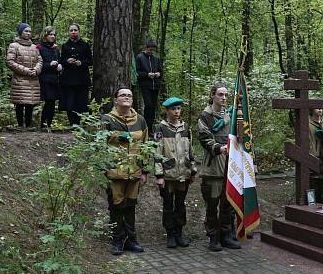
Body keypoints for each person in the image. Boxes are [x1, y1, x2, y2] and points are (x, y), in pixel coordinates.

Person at [102, 88, 149, 256]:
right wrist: (103, 171)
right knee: (116, 206)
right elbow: (100, 146)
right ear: (115, 100)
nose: (126, 97)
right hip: (115, 173)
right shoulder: (107, 120)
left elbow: (145, 147)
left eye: (129, 95)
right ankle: (117, 240)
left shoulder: (141, 120)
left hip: (134, 172)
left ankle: (131, 240)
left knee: (130, 206)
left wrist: (144, 171)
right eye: (122, 95)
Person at [197, 84, 241, 251]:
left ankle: (226, 234)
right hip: (213, 166)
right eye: (220, 94)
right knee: (212, 203)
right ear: (212, 95)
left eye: (226, 95)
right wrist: (219, 148)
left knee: (228, 202)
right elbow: (204, 138)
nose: (223, 98)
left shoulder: (231, 116)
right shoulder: (205, 116)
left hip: (230, 166)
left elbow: (238, 137)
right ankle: (213, 236)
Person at [154, 97, 197, 249]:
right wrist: (159, 175)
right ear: (167, 110)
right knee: (168, 205)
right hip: (168, 174)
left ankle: (179, 233)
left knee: (180, 205)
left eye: (178, 108)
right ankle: (170, 234)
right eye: (173, 109)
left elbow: (190, 150)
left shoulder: (186, 127)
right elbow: (157, 152)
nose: (176, 111)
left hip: (183, 174)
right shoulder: (161, 128)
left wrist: (192, 170)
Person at [6, 23, 43, 129]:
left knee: (30, 103)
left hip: (33, 79)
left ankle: (28, 125)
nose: (28, 33)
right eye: (26, 31)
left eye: (29, 31)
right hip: (20, 79)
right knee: (20, 102)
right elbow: (10, 62)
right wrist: (26, 70)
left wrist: (36, 70)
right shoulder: (14, 46)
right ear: (20, 32)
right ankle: (20, 125)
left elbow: (40, 60)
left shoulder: (35, 47)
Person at [59, 24, 92, 126]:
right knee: (69, 102)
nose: (73, 32)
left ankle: (78, 124)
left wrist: (81, 63)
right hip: (68, 79)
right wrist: (67, 60)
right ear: (68, 32)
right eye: (71, 30)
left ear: (79, 31)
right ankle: (72, 123)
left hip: (82, 79)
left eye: (75, 30)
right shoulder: (65, 46)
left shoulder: (85, 45)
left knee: (80, 102)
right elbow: (61, 60)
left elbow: (90, 60)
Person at [36, 26, 62, 130]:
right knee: (49, 101)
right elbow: (38, 64)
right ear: (45, 35)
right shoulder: (39, 47)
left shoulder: (56, 49)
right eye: (50, 34)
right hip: (44, 79)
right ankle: (43, 124)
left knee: (52, 103)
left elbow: (59, 62)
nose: (52, 36)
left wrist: (60, 66)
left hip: (55, 80)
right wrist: (49, 64)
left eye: (54, 35)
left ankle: (48, 125)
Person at [308, 107, 323, 204]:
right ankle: (310, 207)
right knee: (311, 186)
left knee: (322, 187)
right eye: (317, 108)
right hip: (312, 159)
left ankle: (321, 207)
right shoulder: (307, 124)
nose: (320, 110)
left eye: (322, 108)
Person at [136, 40, 163, 127]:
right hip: (145, 85)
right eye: (150, 50)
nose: (151, 52)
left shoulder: (156, 59)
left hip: (155, 86)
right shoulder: (140, 57)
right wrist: (147, 75)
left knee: (153, 107)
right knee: (148, 105)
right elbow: (137, 72)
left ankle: (150, 127)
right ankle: (145, 126)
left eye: (153, 50)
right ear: (146, 48)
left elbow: (160, 71)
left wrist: (158, 74)